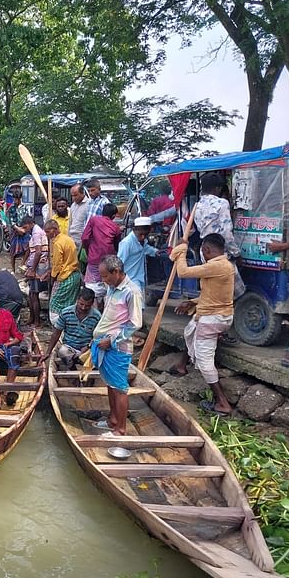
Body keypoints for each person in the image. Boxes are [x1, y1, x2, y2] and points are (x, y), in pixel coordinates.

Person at [170, 234, 235, 414]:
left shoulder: (217, 265)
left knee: (205, 362)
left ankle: (222, 403)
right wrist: (192, 302)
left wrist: (182, 250)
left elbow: (183, 272)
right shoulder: (224, 265)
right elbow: (213, 294)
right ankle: (181, 366)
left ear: (206, 250)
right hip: (214, 315)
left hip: (213, 319)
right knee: (191, 329)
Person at [91, 255, 143, 436]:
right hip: (104, 344)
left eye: (105, 276)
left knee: (120, 388)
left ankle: (120, 429)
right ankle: (113, 420)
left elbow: (135, 323)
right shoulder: (112, 288)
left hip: (117, 348)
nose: (103, 280)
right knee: (110, 384)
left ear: (117, 272)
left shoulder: (131, 291)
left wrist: (112, 340)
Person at [195, 171, 245, 302]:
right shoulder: (221, 203)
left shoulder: (197, 205)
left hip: (205, 251)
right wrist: (236, 253)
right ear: (217, 188)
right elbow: (226, 232)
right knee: (236, 291)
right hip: (219, 251)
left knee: (213, 287)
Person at [39, 288, 101, 369]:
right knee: (62, 351)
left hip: (87, 348)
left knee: (98, 355)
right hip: (70, 347)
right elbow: (56, 333)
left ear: (92, 303)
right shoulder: (66, 312)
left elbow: (98, 337)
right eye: (81, 304)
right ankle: (72, 369)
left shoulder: (97, 316)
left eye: (87, 306)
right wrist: (48, 352)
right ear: (77, 300)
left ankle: (89, 373)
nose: (83, 308)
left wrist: (88, 346)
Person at [81, 203, 121, 308]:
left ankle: (94, 316)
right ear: (113, 216)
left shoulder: (94, 220)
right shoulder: (116, 227)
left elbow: (84, 238)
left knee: (91, 289)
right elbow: (117, 245)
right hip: (109, 261)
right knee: (108, 288)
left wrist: (88, 249)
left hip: (94, 259)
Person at [45, 219, 81, 326]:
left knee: (55, 303)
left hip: (64, 277)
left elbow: (57, 264)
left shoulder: (57, 243)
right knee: (70, 303)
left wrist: (52, 277)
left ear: (54, 230)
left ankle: (58, 326)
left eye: (47, 232)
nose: (46, 234)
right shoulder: (68, 239)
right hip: (75, 275)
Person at [117, 217, 158, 302]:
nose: (143, 237)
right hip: (129, 279)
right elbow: (119, 262)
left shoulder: (143, 241)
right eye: (141, 234)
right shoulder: (127, 243)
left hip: (139, 278)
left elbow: (146, 249)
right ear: (134, 230)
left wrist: (156, 252)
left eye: (145, 235)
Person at [21, 216, 49, 328]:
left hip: (38, 266)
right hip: (36, 265)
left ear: (30, 224)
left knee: (34, 294)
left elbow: (38, 252)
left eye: (25, 227)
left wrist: (32, 269)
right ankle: (32, 318)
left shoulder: (36, 233)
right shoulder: (34, 232)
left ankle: (37, 321)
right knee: (31, 294)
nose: (25, 230)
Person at [7, 191, 30, 273]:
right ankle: (13, 270)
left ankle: (22, 264)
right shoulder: (11, 208)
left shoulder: (25, 207)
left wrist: (24, 229)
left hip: (24, 230)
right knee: (13, 251)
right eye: (14, 199)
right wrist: (18, 229)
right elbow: (11, 221)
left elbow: (27, 218)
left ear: (20, 199)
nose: (15, 201)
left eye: (17, 199)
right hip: (15, 231)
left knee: (28, 248)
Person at [68, 183, 89, 251]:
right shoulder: (73, 205)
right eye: (72, 196)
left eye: (76, 195)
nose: (73, 198)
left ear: (82, 193)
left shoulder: (89, 204)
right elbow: (70, 222)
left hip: (82, 240)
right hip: (72, 238)